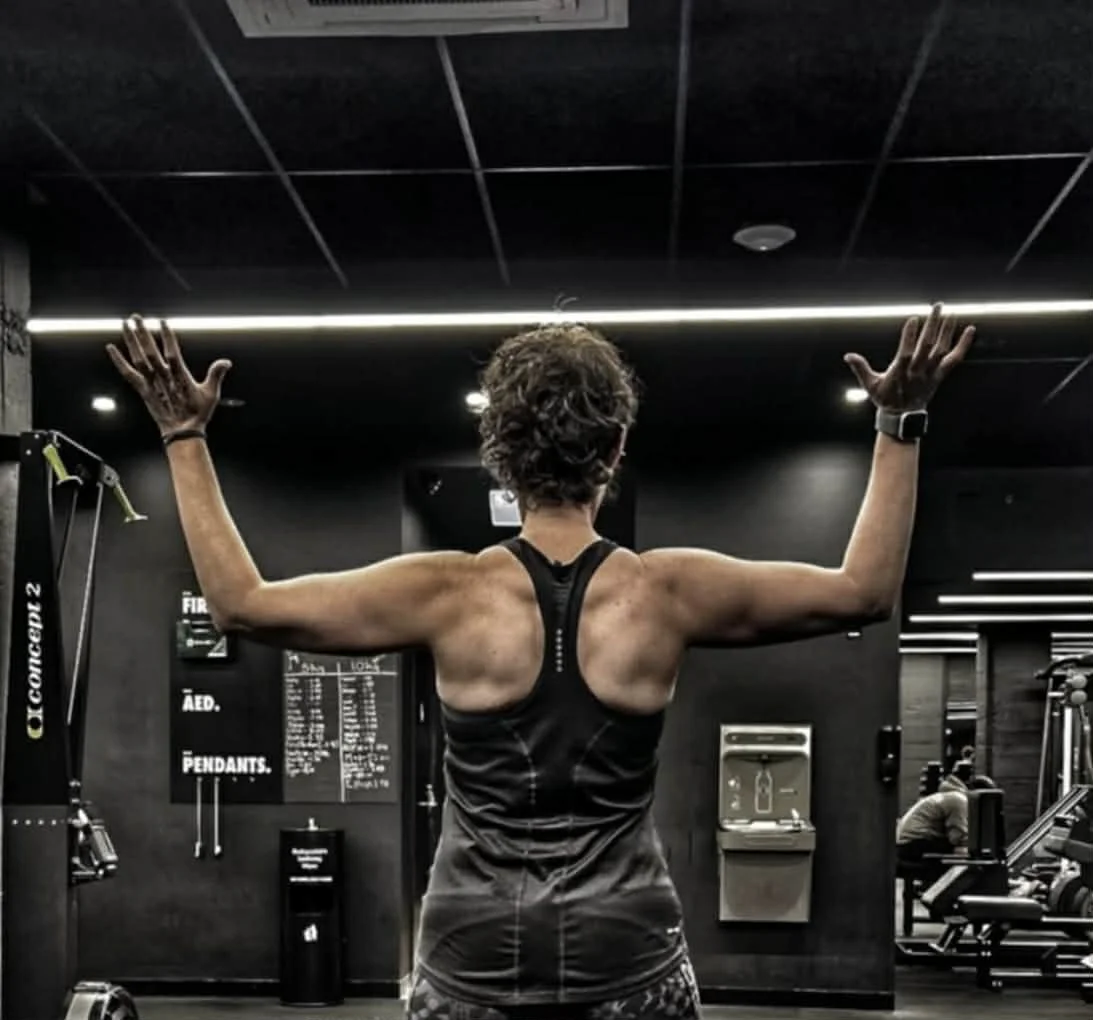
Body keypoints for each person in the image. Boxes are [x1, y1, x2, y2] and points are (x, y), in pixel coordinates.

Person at [107, 305, 973, 1019]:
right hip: (625, 950)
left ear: (501, 454)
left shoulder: (444, 592)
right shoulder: (666, 594)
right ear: (615, 448)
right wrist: (899, 426)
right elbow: (862, 590)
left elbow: (241, 604)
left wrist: (184, 436)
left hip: (469, 949)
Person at [896, 771, 996, 871]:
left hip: (905, 843)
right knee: (963, 852)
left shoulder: (949, 796)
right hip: (913, 844)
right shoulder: (959, 800)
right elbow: (957, 836)